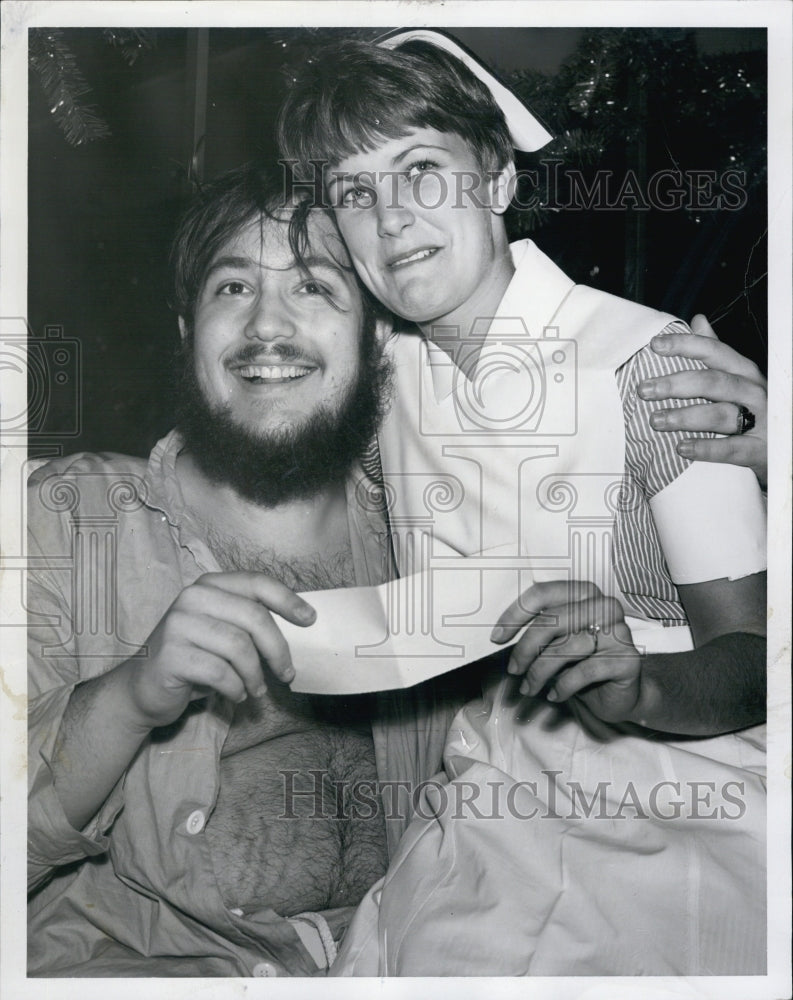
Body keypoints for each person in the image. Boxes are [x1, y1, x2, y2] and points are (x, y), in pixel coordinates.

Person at [277, 30, 769, 974]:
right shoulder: (378, 391)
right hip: (494, 786)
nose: (390, 218)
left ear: (498, 179)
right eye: (354, 190)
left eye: (422, 169)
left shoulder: (649, 365)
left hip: (687, 783)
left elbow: (751, 662)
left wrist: (639, 687)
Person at [27, 163, 468, 977]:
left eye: (313, 289)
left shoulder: (438, 536)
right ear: (187, 331)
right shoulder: (65, 519)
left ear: (375, 337)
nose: (268, 325)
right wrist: (129, 697)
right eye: (233, 288)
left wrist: (751, 446)